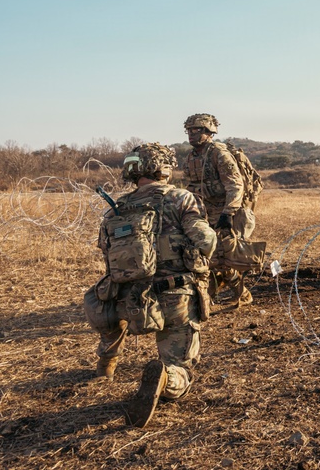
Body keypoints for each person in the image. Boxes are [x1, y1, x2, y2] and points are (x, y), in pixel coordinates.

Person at [87, 143, 217, 428]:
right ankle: (167, 377)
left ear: (133, 170)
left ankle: (105, 366)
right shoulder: (182, 199)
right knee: (181, 365)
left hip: (128, 298)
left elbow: (105, 249)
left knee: (113, 319)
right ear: (164, 167)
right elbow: (206, 242)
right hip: (175, 296)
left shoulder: (118, 207)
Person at [181, 113, 255, 306]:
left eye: (196, 130)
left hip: (225, 212)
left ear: (208, 132)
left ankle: (241, 293)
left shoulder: (218, 154)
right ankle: (213, 293)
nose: (191, 134)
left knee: (224, 258)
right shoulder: (191, 157)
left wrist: (228, 214)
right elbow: (191, 186)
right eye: (189, 130)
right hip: (204, 212)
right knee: (206, 256)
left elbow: (235, 185)